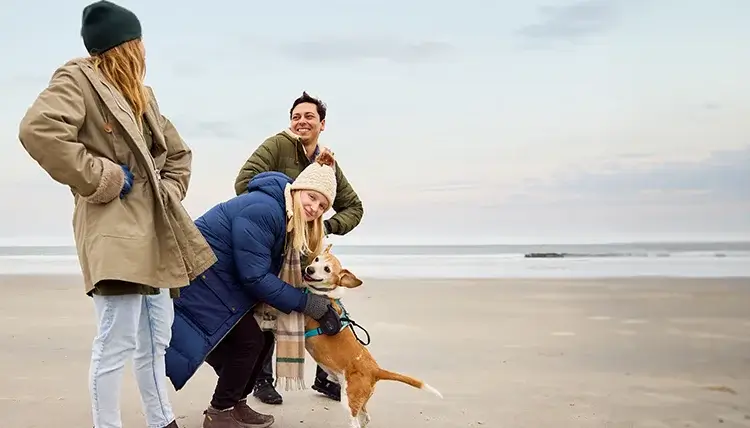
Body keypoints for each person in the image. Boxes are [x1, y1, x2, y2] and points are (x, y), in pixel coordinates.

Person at [16, 1, 217, 427]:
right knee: (116, 341)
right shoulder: (78, 78)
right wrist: (104, 176)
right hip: (113, 230)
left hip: (156, 235)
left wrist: (169, 190)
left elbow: (179, 153)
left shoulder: (143, 97)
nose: (144, 49)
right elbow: (38, 130)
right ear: (126, 45)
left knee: (156, 338)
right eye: (138, 41)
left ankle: (161, 421)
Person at [165, 151, 343, 428]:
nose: (314, 208)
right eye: (312, 197)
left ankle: (237, 403)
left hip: (221, 284)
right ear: (298, 190)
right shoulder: (265, 210)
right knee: (249, 342)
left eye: (322, 205)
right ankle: (219, 412)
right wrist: (308, 303)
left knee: (261, 340)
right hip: (198, 283)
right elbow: (255, 276)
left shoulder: (285, 217)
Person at [233, 91, 364, 404]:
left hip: (308, 255)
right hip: (275, 244)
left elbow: (353, 207)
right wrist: (291, 207)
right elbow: (244, 182)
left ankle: (326, 376)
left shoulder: (328, 162)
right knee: (267, 310)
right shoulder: (277, 145)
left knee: (328, 311)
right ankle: (263, 381)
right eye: (296, 116)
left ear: (322, 124)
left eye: (309, 117)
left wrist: (322, 227)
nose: (302, 121)